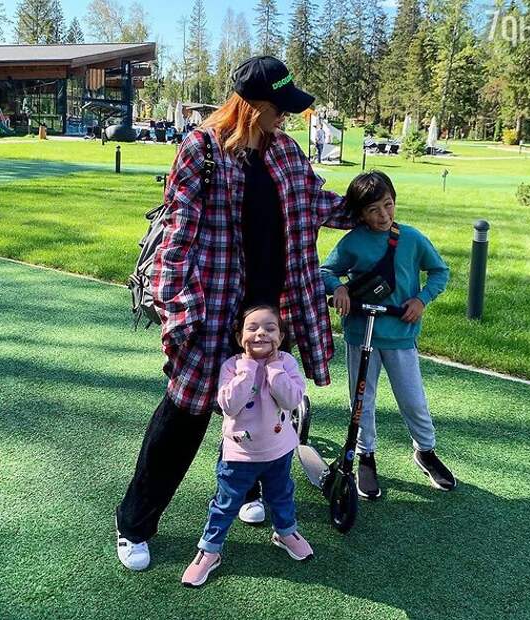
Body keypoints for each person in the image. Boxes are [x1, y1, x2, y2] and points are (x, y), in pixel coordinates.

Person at [115, 55, 352, 571]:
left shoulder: (285, 151)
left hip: (269, 312)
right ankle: (134, 523)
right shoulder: (201, 150)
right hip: (213, 309)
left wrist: (369, 209)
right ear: (252, 105)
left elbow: (316, 202)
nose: (286, 115)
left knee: (262, 408)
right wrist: (178, 314)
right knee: (184, 417)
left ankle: (247, 490)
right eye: (278, 106)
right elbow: (176, 237)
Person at [320, 170, 456, 500]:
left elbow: (440, 271)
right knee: (361, 401)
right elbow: (325, 270)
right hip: (361, 334)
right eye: (373, 210)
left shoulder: (411, 238)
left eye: (388, 205)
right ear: (360, 213)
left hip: (400, 335)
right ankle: (365, 456)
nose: (383, 215)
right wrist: (338, 288)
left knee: (413, 399)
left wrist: (421, 299)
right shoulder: (353, 241)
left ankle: (425, 450)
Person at [182, 305, 313, 587]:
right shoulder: (232, 366)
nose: (261, 333)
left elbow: (292, 400)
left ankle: (285, 533)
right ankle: (209, 550)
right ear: (239, 335)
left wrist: (274, 368)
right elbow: (229, 405)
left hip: (278, 452)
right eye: (252, 328)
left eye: (270, 328)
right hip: (239, 455)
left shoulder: (287, 363)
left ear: (280, 336)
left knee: (281, 496)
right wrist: (249, 368)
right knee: (225, 504)